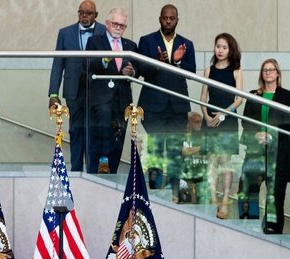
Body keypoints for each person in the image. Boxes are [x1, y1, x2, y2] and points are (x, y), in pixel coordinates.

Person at [137, 4, 196, 202]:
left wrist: (177, 62)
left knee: (174, 148)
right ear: (159, 18)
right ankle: (153, 189)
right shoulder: (147, 41)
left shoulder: (186, 44)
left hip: (178, 106)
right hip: (153, 105)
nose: (168, 21)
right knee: (156, 146)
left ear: (177, 20)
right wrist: (158, 62)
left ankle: (174, 191)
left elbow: (191, 71)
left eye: (172, 18)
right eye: (165, 18)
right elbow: (142, 69)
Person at [48, 0, 106, 172]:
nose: (84, 16)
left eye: (88, 13)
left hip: (97, 91)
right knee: (75, 130)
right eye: (81, 12)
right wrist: (53, 94)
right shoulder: (65, 33)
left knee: (94, 131)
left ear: (96, 15)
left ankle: (93, 172)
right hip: (73, 90)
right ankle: (76, 171)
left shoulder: (104, 31)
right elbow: (58, 63)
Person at [239, 58, 290, 233]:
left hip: (278, 155)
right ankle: (248, 228)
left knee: (275, 196)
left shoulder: (287, 97)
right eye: (264, 70)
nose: (268, 73)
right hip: (255, 151)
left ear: (277, 73)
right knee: (247, 190)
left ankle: (273, 234)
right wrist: (256, 134)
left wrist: (273, 136)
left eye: (271, 70)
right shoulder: (254, 96)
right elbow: (246, 123)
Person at [85, 7, 138, 174]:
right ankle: (102, 161)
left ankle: (112, 170)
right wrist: (105, 58)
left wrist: (133, 72)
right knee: (102, 130)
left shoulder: (130, 45)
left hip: (122, 98)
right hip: (101, 97)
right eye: (116, 24)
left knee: (119, 135)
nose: (118, 28)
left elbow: (139, 68)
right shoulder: (95, 41)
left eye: (122, 26)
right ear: (107, 23)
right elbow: (88, 65)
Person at [200, 33, 243, 219]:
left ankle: (225, 201)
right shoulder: (208, 70)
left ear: (230, 50)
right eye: (218, 46)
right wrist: (206, 116)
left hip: (227, 119)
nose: (220, 50)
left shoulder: (236, 71)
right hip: (209, 119)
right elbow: (202, 98)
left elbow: (240, 99)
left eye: (224, 47)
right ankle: (212, 200)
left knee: (225, 161)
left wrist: (224, 113)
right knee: (211, 161)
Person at [182, 112, 208, 204]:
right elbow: (184, 152)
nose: (200, 125)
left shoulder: (203, 136)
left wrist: (191, 151)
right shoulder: (182, 135)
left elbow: (208, 153)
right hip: (185, 175)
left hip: (202, 175)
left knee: (205, 199)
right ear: (188, 122)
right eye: (197, 122)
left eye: (201, 122)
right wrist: (201, 148)